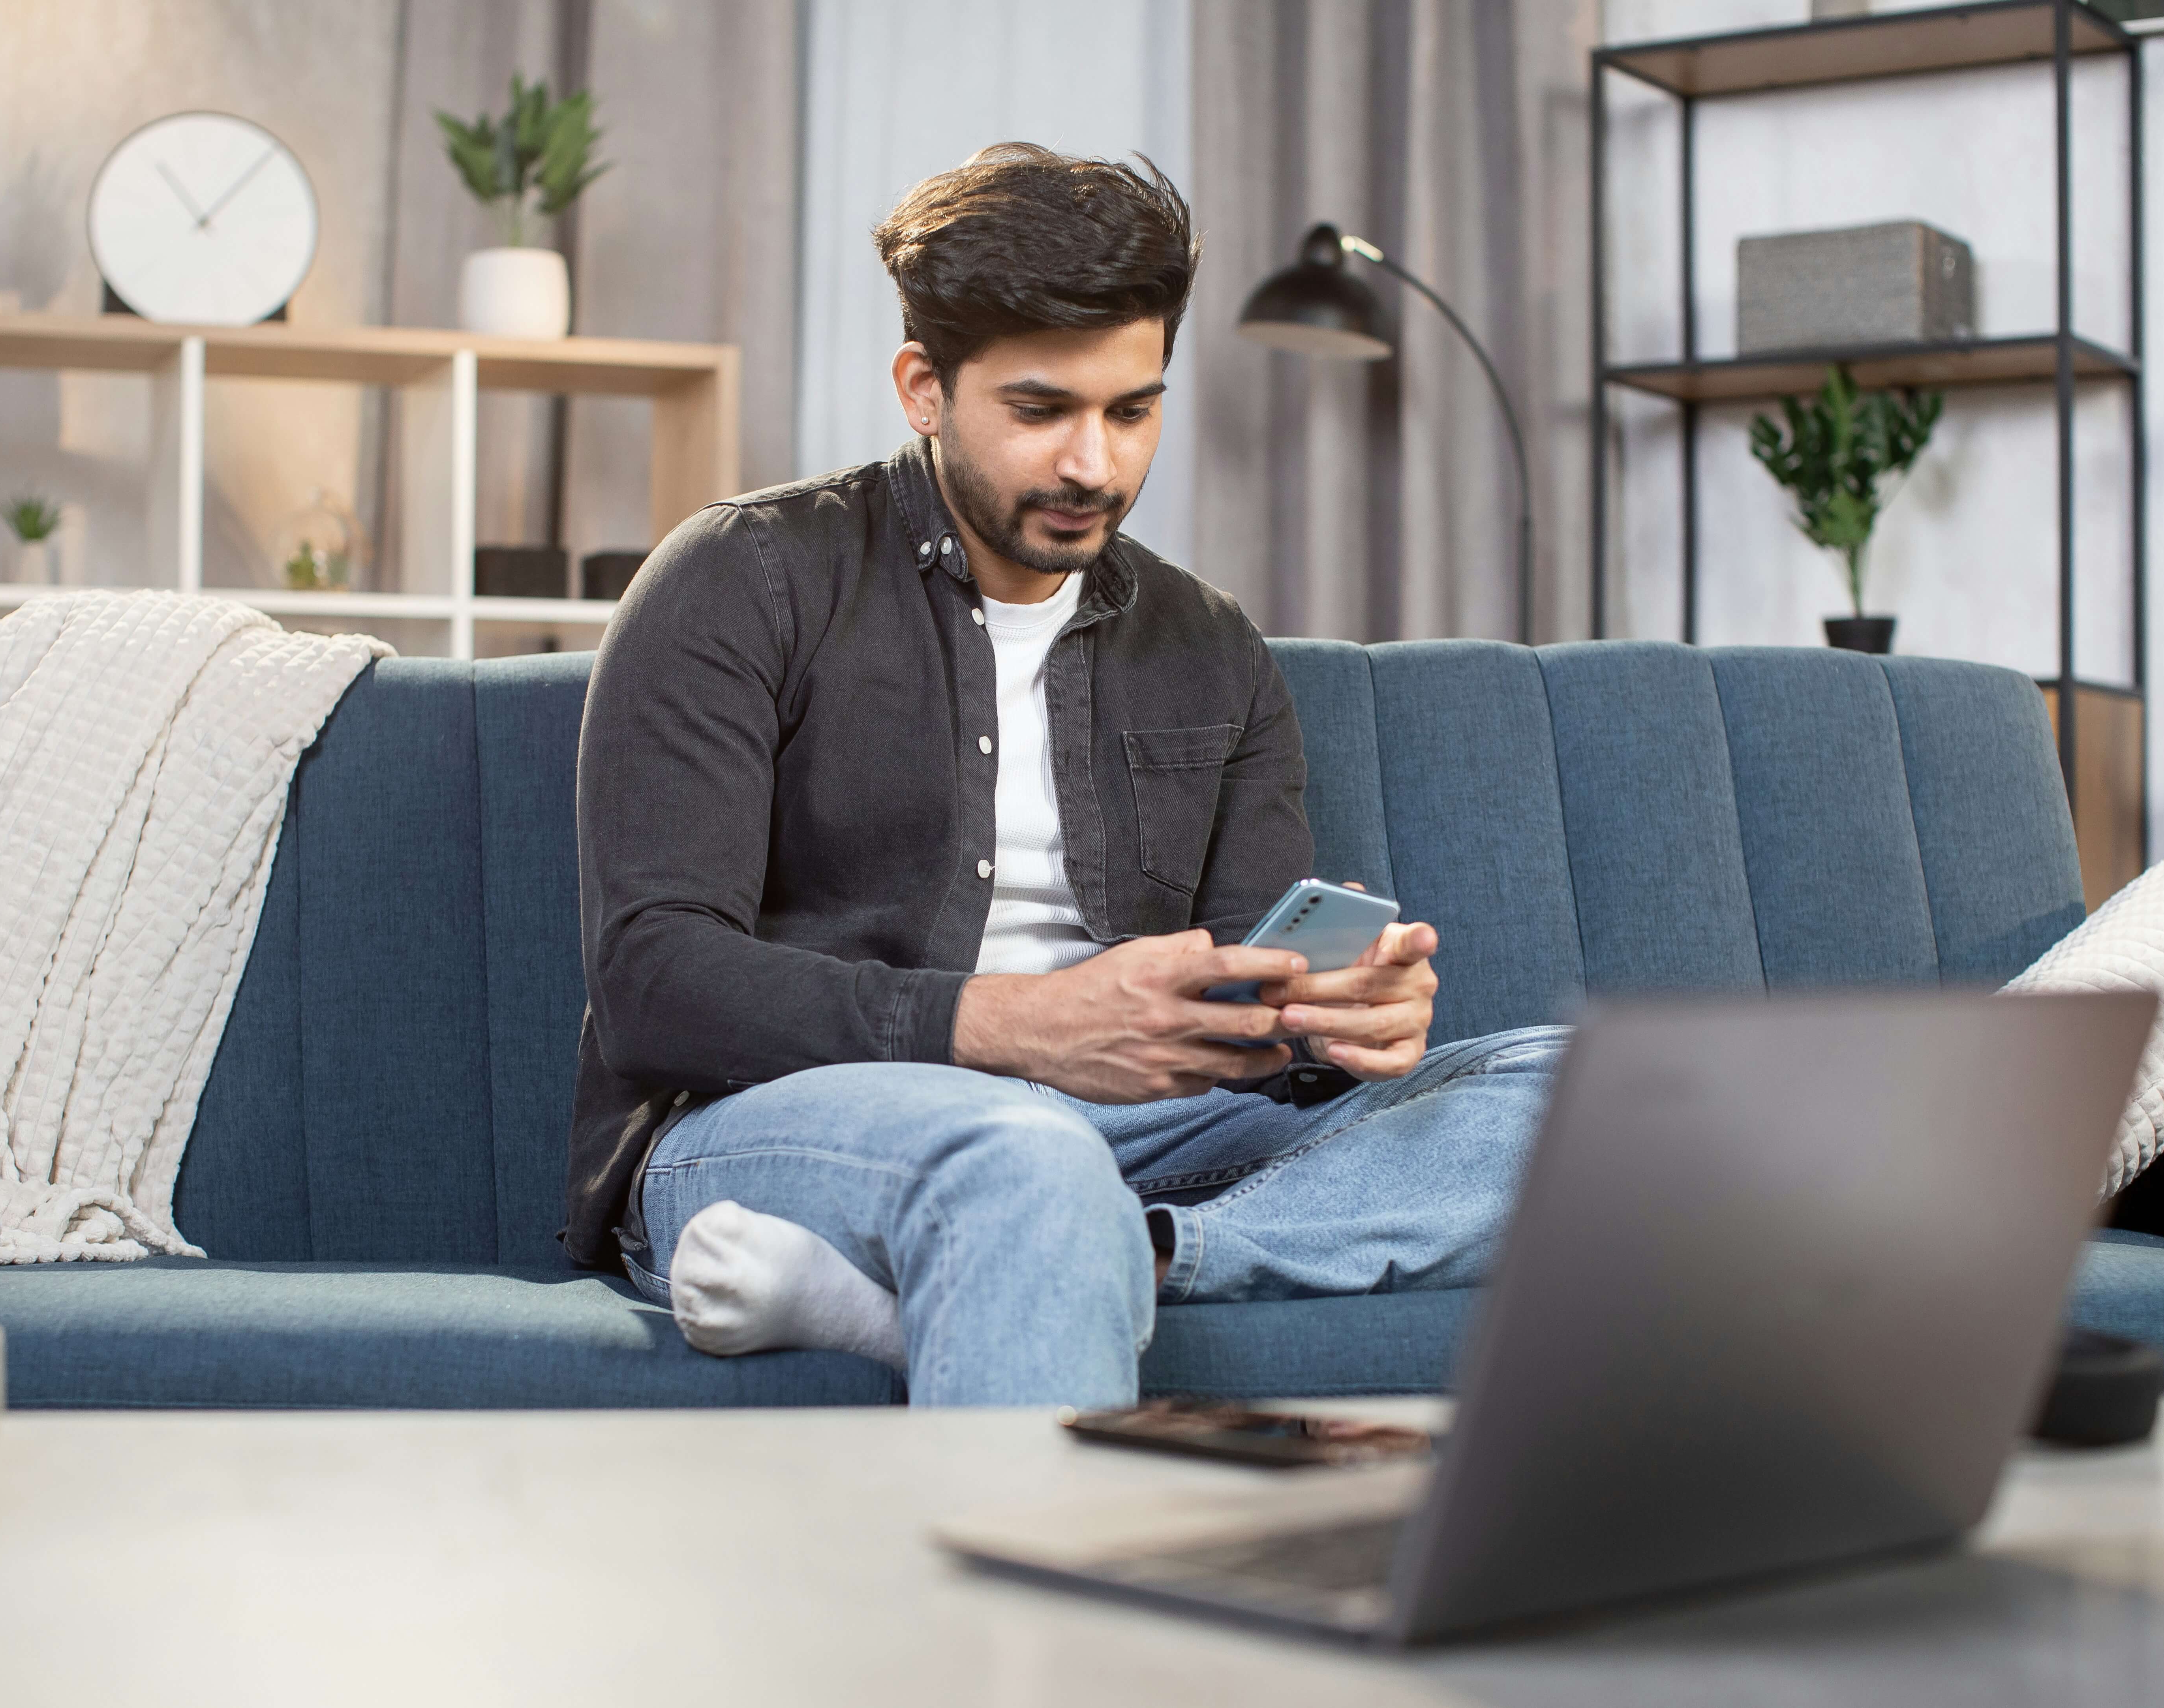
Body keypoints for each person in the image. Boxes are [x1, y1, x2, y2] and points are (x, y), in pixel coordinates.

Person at [564, 142, 1566, 1406]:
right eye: (1042, 411)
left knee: (1579, 1100)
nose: (1096, 465)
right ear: (923, 388)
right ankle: (1041, 1273)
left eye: (1132, 410)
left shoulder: (1210, 648)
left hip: (1139, 1144)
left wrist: (1333, 1024)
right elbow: (656, 982)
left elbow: (1255, 1013)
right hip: (770, 1128)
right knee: (1022, 1153)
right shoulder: (744, 577)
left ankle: (1125, 1257)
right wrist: (1018, 1027)